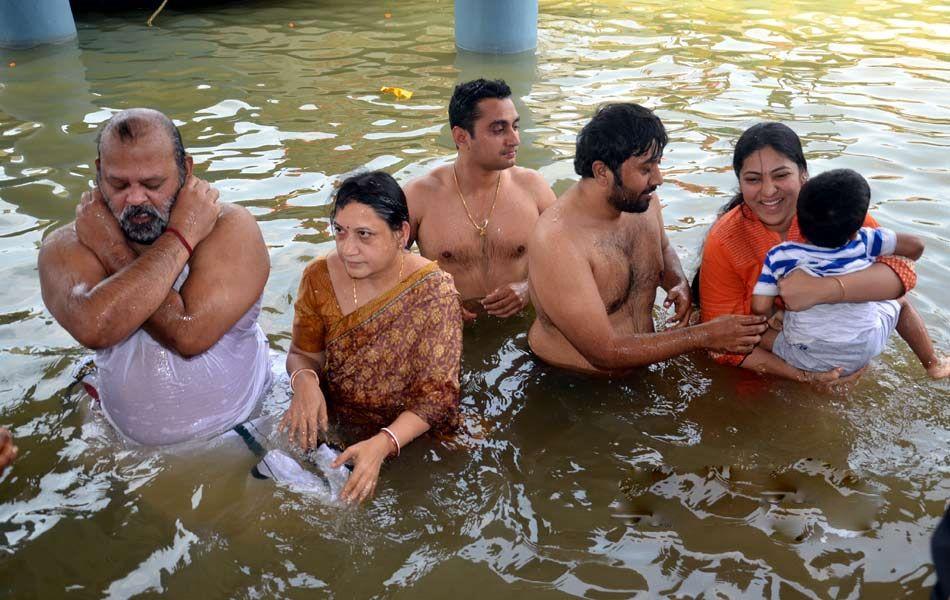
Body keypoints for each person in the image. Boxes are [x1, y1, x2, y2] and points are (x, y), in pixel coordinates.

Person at [38, 108, 272, 445]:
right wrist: (177, 239)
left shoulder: (231, 227)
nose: (135, 198)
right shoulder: (66, 246)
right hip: (116, 436)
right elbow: (96, 325)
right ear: (98, 174)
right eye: (118, 184)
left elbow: (189, 334)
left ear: (185, 170)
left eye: (152, 184)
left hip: (240, 426)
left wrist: (120, 249)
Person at [527, 103, 769, 375]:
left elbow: (663, 248)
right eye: (645, 169)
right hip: (574, 383)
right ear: (602, 172)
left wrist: (677, 281)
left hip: (639, 367)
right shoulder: (558, 241)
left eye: (658, 164)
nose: (659, 178)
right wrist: (704, 336)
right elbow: (603, 352)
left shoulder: (641, 202)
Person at [696, 122, 946, 381]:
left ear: (803, 174)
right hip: (770, 364)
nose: (768, 190)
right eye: (753, 179)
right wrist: (802, 375)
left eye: (781, 175)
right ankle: (934, 364)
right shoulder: (725, 239)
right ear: (739, 182)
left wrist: (823, 290)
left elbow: (903, 274)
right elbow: (720, 343)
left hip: (808, 350)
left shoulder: (830, 209)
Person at [281, 171, 462, 505]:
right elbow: (303, 354)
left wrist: (383, 444)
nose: (348, 248)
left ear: (401, 234)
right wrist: (305, 384)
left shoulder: (434, 291)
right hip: (339, 422)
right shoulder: (318, 276)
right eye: (340, 231)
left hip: (411, 434)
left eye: (364, 235)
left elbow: (438, 397)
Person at [751, 169, 945, 377]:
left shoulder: (781, 255)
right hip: (865, 344)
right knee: (902, 302)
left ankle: (807, 377)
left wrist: (776, 318)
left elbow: (760, 306)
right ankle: (934, 365)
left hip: (809, 354)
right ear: (856, 227)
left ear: (798, 217)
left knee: (752, 336)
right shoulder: (867, 241)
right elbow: (916, 246)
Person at [405, 78, 556, 320]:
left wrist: (528, 288)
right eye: (499, 130)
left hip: (520, 328)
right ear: (462, 137)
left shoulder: (533, 188)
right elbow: (384, 267)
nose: (515, 139)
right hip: (450, 331)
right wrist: (431, 295)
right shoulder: (420, 196)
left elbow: (570, 255)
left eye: (515, 126)